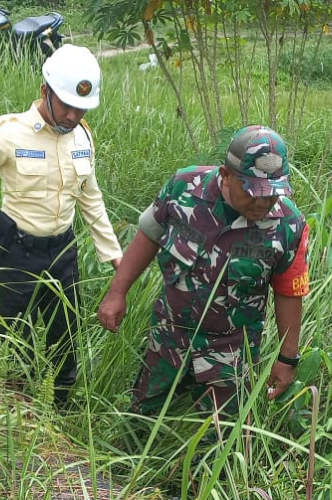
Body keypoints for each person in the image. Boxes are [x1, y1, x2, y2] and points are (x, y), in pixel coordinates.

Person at [0, 44, 123, 406]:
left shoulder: (82, 136)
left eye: (81, 108)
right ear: (45, 91)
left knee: (66, 334)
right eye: (65, 105)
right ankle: (17, 406)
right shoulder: (11, 132)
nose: (72, 115)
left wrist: (115, 257)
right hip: (19, 252)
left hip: (63, 252)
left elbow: (91, 199)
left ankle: (60, 407)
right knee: (16, 334)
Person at [97, 125, 310, 415]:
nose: (263, 203)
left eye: (272, 193)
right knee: (141, 418)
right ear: (226, 175)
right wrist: (117, 291)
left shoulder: (288, 224)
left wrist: (288, 358)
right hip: (168, 337)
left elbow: (289, 291)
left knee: (223, 436)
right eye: (253, 192)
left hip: (232, 351)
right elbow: (149, 234)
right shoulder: (184, 188)